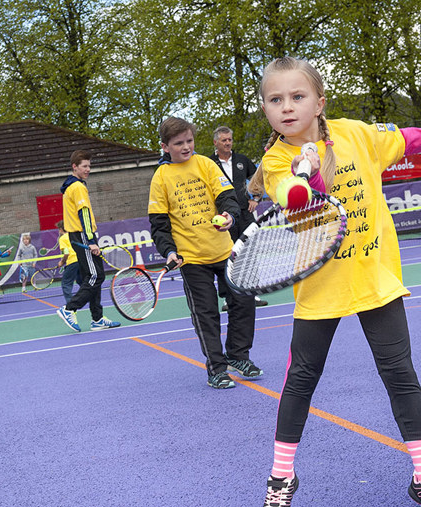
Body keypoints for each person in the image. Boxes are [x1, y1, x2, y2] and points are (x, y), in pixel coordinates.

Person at [254, 57, 421, 507]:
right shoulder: (277, 159)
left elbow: (412, 138)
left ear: (319, 103)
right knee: (301, 380)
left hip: (375, 282)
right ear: (265, 108)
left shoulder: (357, 134)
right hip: (319, 291)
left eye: (297, 96)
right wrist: (306, 181)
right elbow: (288, 192)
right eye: (275, 100)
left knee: (400, 375)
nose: (286, 107)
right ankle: (282, 477)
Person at [148, 116, 263, 389]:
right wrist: (169, 251)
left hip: (224, 251)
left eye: (189, 140)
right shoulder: (161, 178)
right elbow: (159, 225)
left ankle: (238, 355)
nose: (186, 147)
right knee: (206, 314)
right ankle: (216, 369)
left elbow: (227, 197)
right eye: (179, 143)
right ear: (165, 146)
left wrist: (229, 217)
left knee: (244, 301)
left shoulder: (206, 164)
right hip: (191, 259)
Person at [56, 150, 120, 332]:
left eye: (89, 166)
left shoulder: (71, 187)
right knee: (96, 276)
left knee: (92, 276)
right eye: (84, 166)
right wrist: (91, 240)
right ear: (74, 167)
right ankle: (70, 309)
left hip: (79, 235)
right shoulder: (77, 187)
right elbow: (83, 213)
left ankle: (97, 318)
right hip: (84, 235)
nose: (88, 169)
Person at [209, 126, 268, 310]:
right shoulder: (209, 163)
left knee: (248, 253)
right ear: (215, 143)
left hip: (245, 213)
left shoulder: (242, 160)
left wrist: (256, 199)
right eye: (224, 140)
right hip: (224, 217)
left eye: (230, 140)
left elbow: (259, 178)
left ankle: (252, 294)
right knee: (227, 256)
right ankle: (228, 298)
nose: (228, 143)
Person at [56, 219, 82, 305]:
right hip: (81, 260)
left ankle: (70, 305)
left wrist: (62, 262)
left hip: (72, 261)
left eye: (59, 229)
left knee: (66, 283)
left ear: (61, 229)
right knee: (80, 280)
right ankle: (89, 296)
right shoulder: (74, 235)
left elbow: (66, 253)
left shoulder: (62, 238)